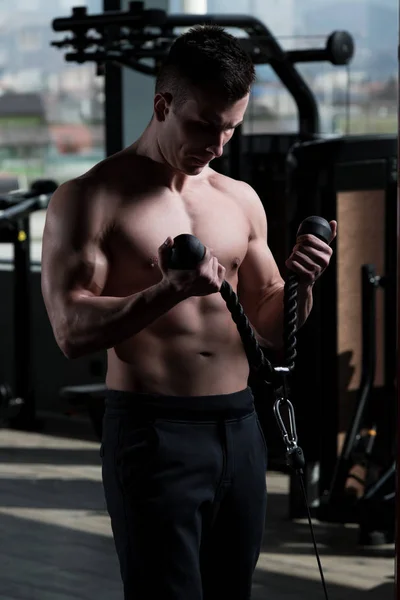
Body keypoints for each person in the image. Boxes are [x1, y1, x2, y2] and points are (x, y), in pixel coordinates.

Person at [41, 24, 336, 600]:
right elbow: (70, 331)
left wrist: (303, 280)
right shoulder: (90, 198)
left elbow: (274, 329)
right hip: (154, 433)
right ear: (163, 104)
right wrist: (167, 291)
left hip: (240, 426)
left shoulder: (239, 199)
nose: (218, 144)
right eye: (204, 125)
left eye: (231, 128)